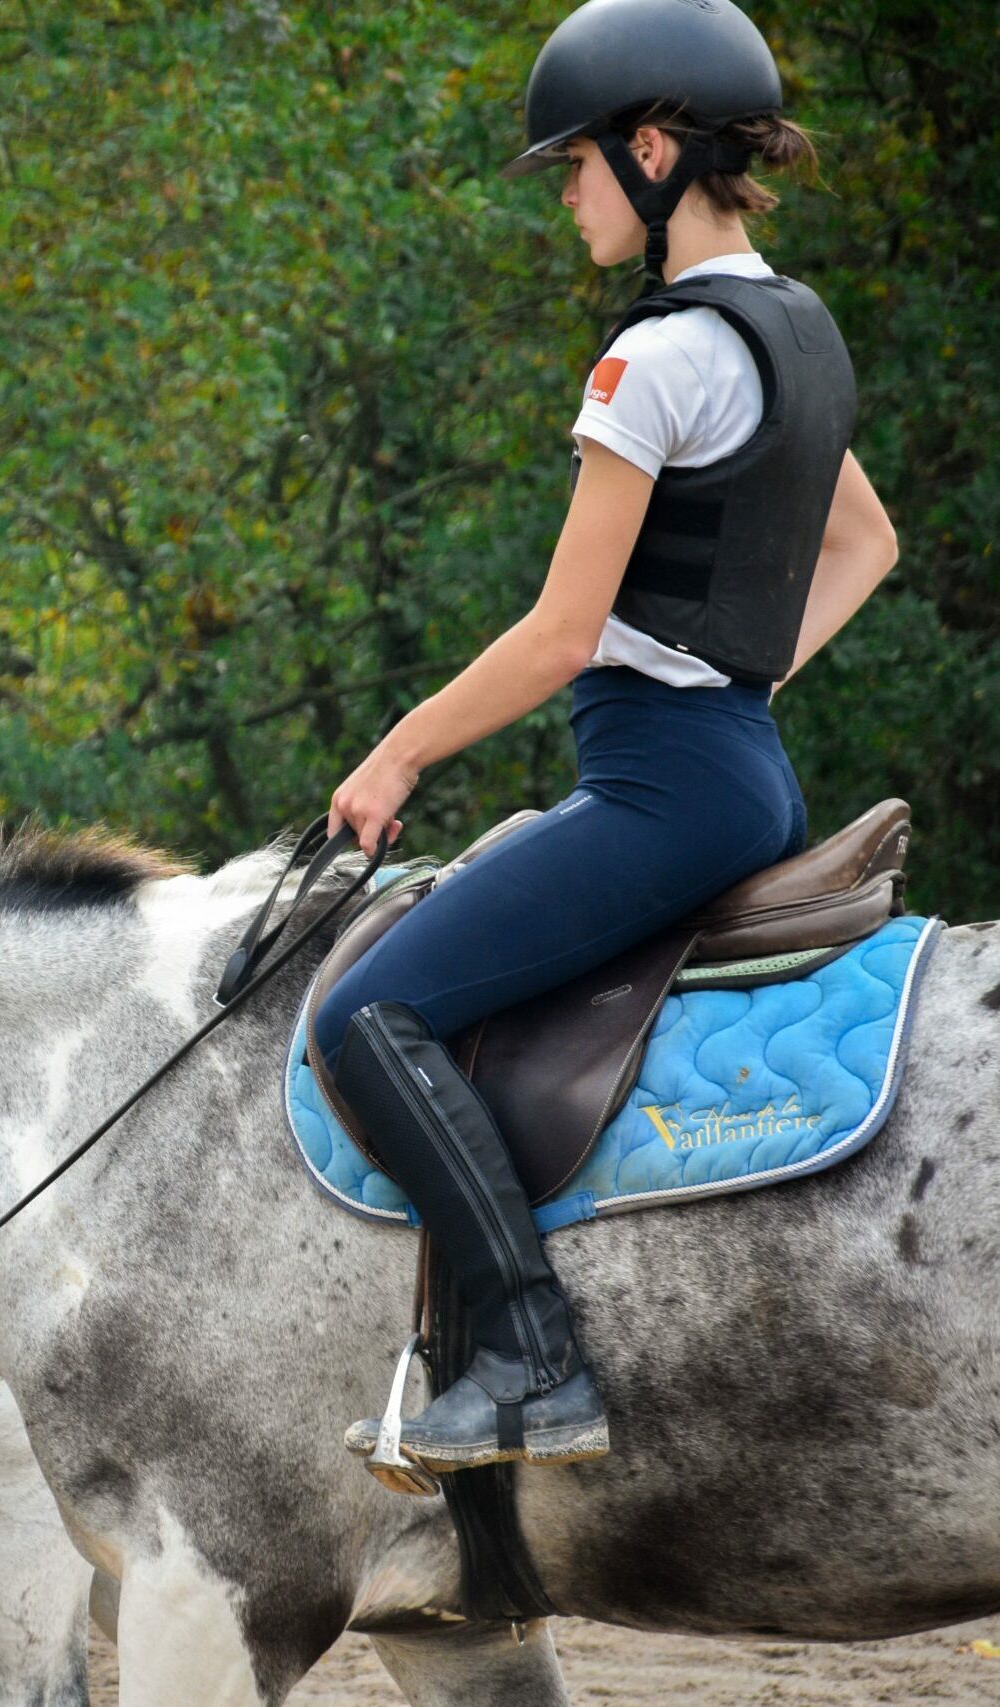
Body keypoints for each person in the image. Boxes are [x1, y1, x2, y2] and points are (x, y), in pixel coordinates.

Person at [321, 0, 899, 1476]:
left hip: (659, 783)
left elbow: (559, 634)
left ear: (651, 152)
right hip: (741, 771)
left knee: (363, 1019)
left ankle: (525, 1356)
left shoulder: (652, 363)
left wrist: (394, 754)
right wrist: (745, 676)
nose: (567, 196)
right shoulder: (797, 331)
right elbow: (867, 543)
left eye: (574, 165)